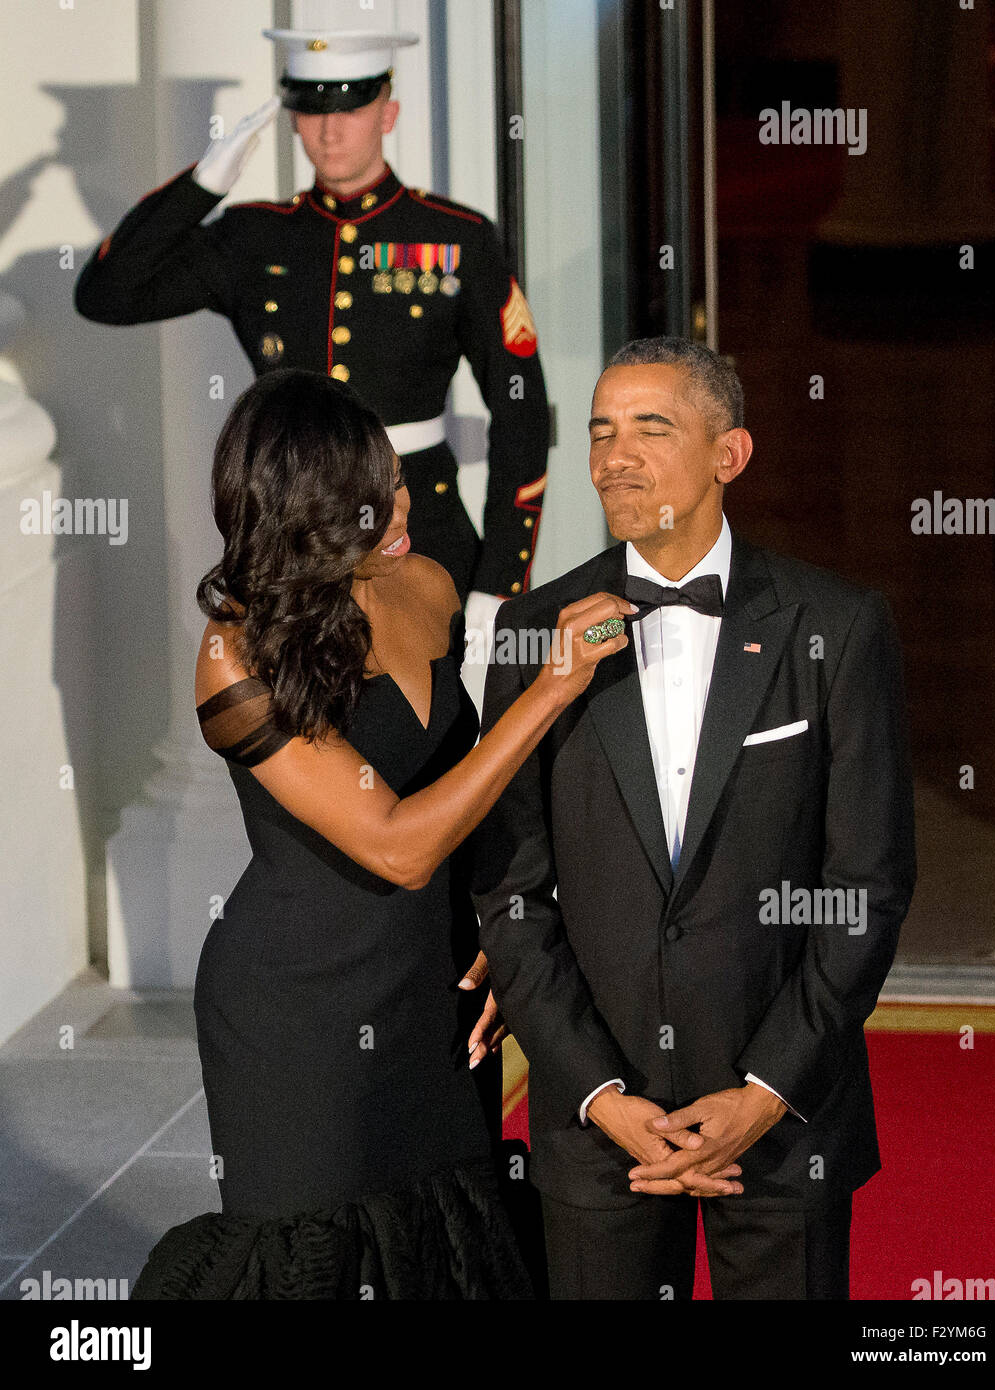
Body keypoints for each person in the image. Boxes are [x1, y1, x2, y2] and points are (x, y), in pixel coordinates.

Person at [128, 368, 631, 1300]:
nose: (404, 504)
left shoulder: (427, 584)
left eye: (399, 479)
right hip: (299, 1021)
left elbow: (465, 790)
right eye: (373, 497)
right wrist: (553, 689)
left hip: (431, 998)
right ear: (309, 512)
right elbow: (399, 842)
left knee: (449, 1253)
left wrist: (496, 935)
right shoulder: (232, 652)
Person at [471, 337, 917, 1300]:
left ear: (731, 453)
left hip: (786, 1109)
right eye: (599, 431)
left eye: (649, 429)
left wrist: (765, 1092)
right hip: (599, 1129)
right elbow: (509, 884)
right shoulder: (531, 630)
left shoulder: (835, 627)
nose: (611, 457)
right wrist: (600, 1094)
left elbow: (865, 890)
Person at [73, 27, 549, 618]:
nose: (330, 130)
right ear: (292, 119)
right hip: (290, 533)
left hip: (421, 532)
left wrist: (499, 583)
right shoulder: (255, 236)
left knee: (440, 708)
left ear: (388, 112)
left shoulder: (456, 237)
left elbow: (522, 413)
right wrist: (202, 186)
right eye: (312, 110)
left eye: (352, 107)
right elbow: (106, 295)